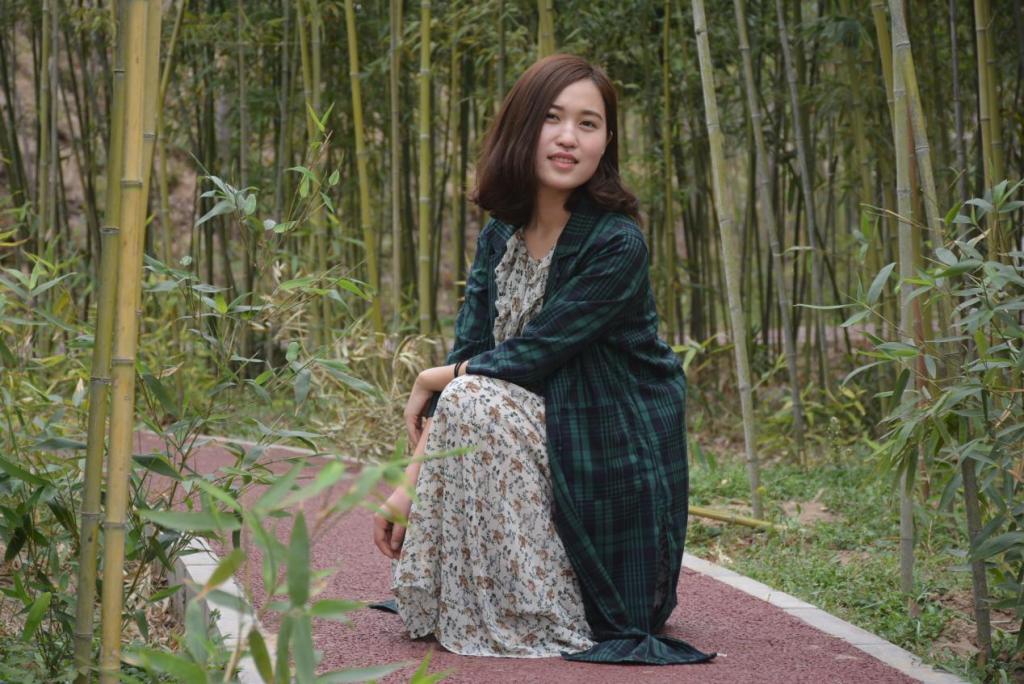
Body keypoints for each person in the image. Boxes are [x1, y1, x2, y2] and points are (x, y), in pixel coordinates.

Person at [372, 54, 715, 666]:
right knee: (471, 395)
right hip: (532, 426)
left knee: (471, 393)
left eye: (589, 124)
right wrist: (407, 487)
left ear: (606, 142)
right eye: (553, 118)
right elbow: (473, 355)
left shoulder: (617, 243)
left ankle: (549, 604)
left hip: (608, 441)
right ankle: (503, 596)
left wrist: (431, 377)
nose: (568, 138)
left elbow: (533, 355)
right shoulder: (500, 233)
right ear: (523, 127)